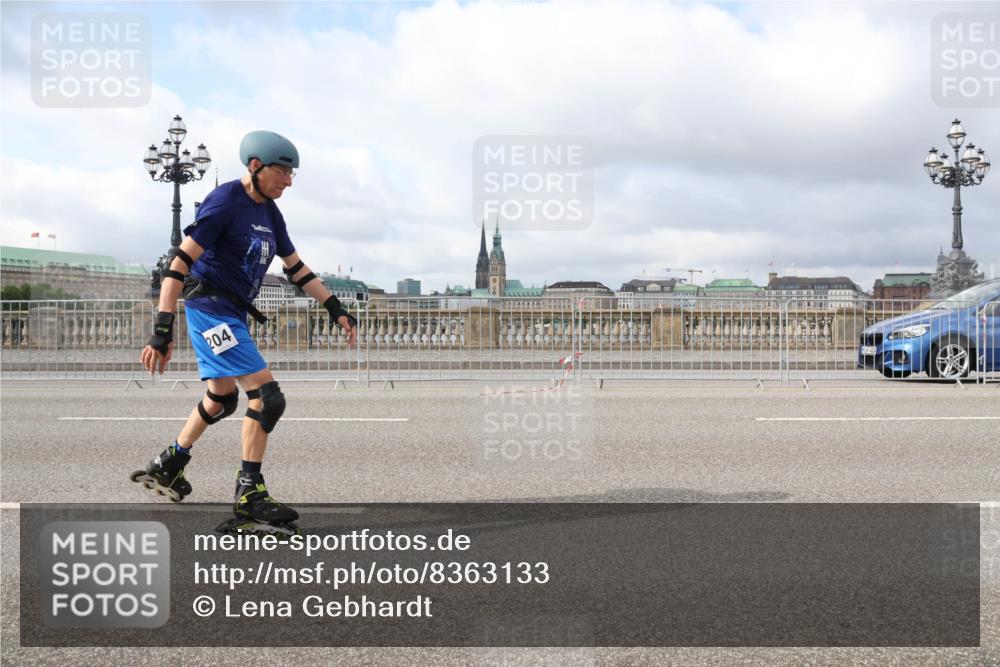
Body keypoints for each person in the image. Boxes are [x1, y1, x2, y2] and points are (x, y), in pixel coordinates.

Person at [130, 130, 357, 532]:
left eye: (292, 174)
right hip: (210, 310)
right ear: (255, 166)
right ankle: (250, 494)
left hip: (231, 311)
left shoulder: (270, 212)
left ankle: (170, 463)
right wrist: (161, 331)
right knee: (266, 397)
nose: (289, 181)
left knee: (222, 398)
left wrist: (335, 307)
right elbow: (177, 265)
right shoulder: (225, 203)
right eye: (283, 172)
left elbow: (296, 268)